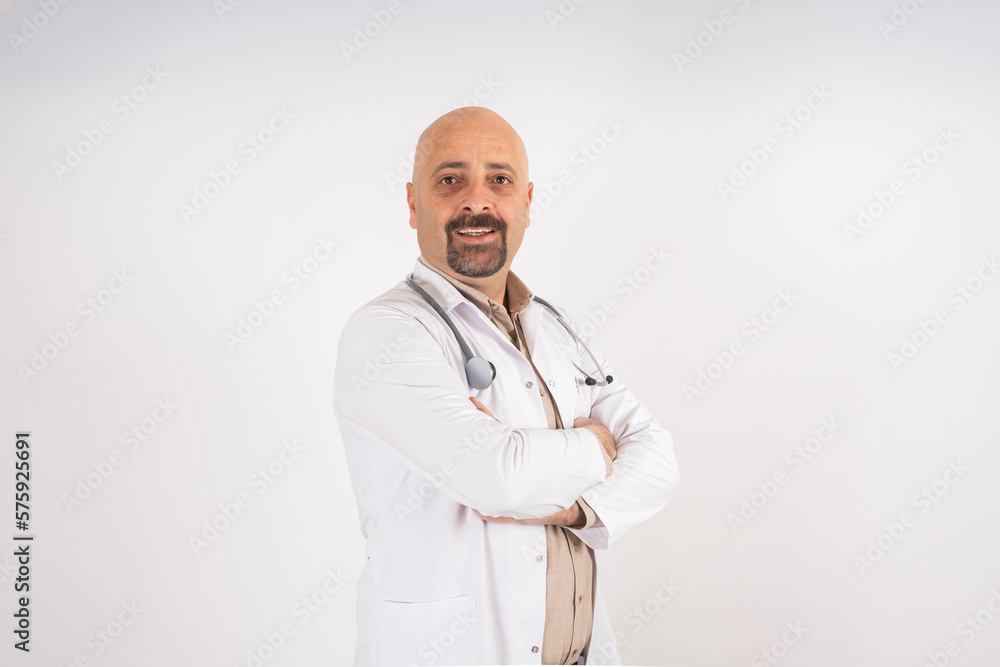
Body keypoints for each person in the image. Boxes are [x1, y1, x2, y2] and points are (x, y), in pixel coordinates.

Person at [332, 106, 679, 666]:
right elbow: (499, 476)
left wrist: (574, 510)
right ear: (413, 202)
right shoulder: (388, 333)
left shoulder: (555, 329)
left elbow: (660, 460)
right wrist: (600, 445)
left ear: (526, 201)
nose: (477, 200)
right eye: (450, 180)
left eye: (499, 179)